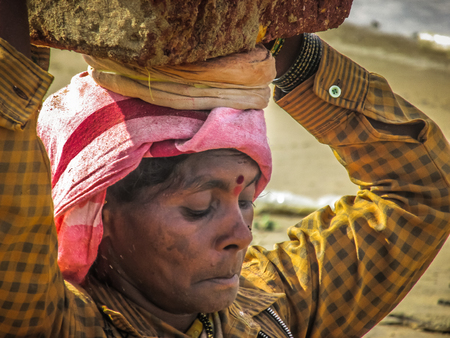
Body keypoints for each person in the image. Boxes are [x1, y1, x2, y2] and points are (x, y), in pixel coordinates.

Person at [1, 1, 449, 337]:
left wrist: (276, 37)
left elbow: (424, 190)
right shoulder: (54, 322)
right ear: (103, 214)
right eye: (199, 207)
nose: (242, 234)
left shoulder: (271, 309)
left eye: (248, 200)